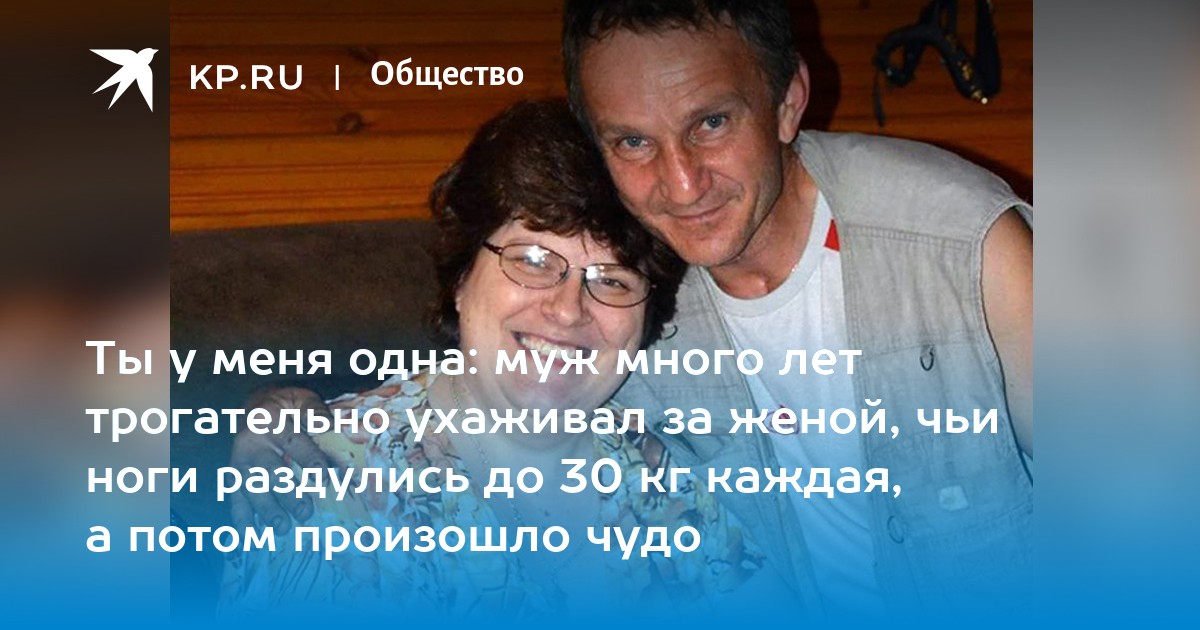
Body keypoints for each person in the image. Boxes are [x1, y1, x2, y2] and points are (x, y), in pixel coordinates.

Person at [235, 0, 1033, 620]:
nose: (681, 184)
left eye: (711, 122)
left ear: (788, 101)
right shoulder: (334, 482)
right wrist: (290, 422)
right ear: (460, 272)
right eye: (633, 142)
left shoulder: (960, 245)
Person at [220, 99, 781, 618]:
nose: (568, 309)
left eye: (612, 279)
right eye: (533, 259)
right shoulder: (320, 479)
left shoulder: (669, 471)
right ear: (462, 278)